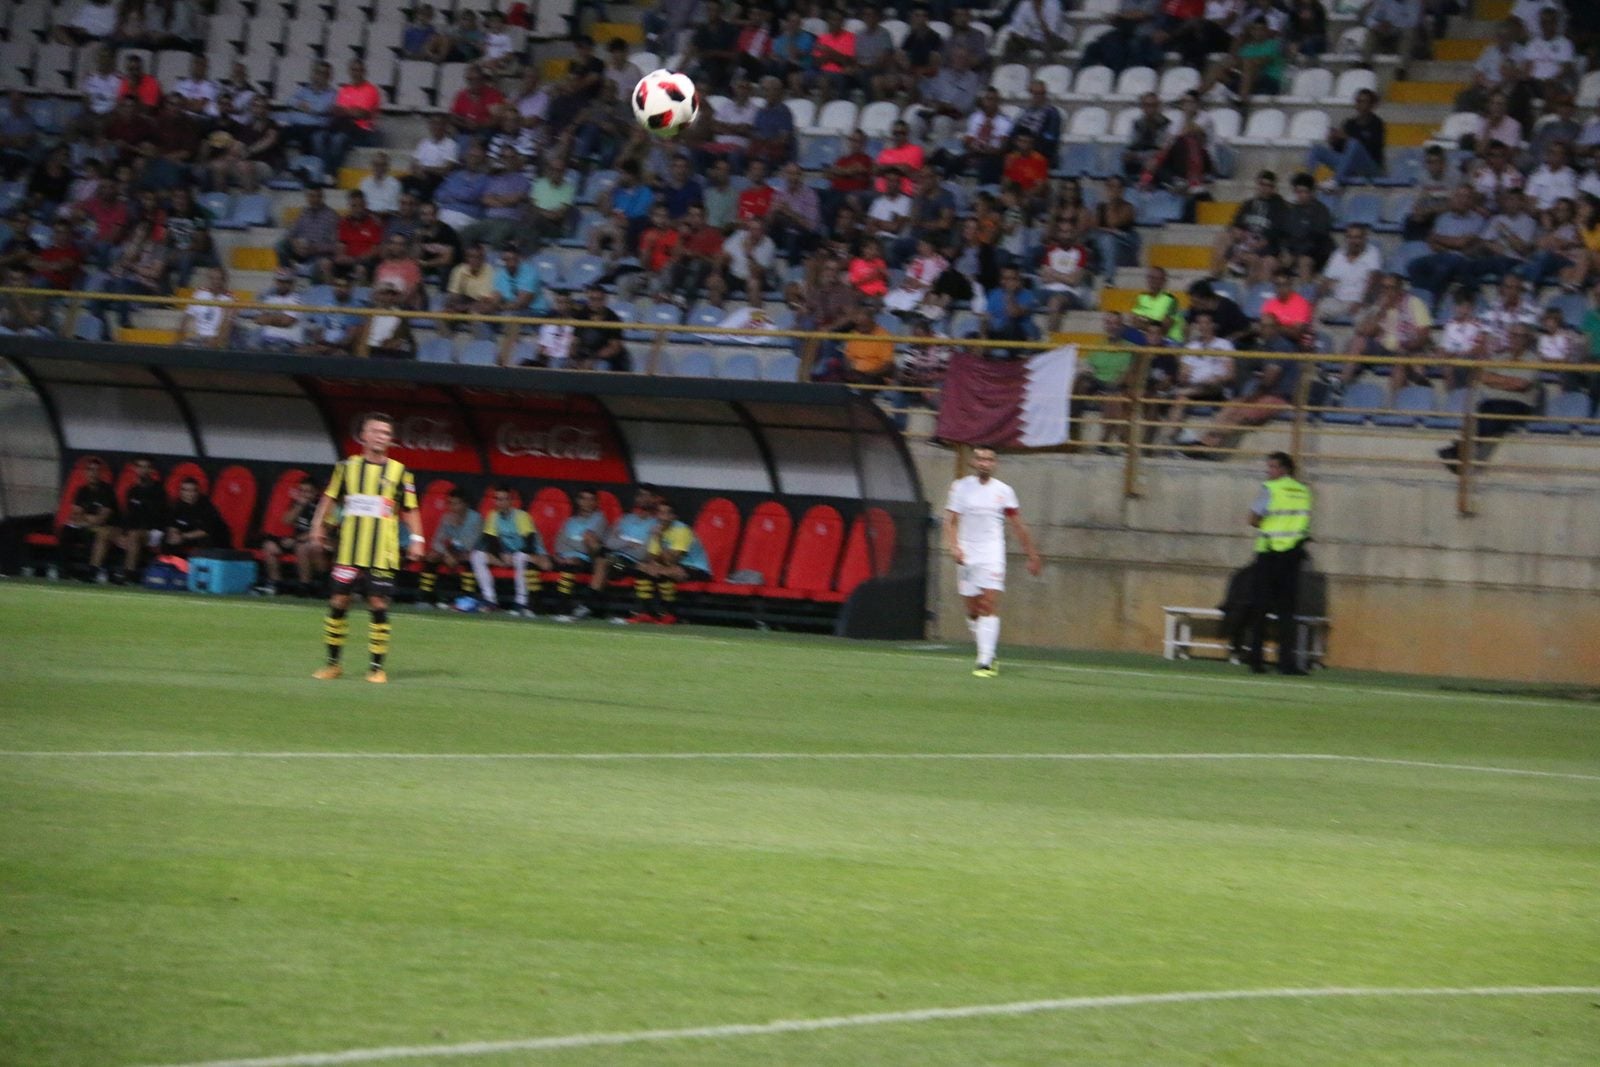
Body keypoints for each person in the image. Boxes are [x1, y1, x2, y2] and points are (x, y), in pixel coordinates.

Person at [309, 413, 424, 684]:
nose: (382, 436)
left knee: (378, 603)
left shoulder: (399, 471)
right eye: (377, 431)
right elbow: (329, 498)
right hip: (349, 548)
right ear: (364, 435)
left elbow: (410, 508)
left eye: (386, 432)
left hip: (382, 550)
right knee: (338, 601)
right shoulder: (347, 467)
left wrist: (418, 539)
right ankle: (333, 664)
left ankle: (376, 668)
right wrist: (318, 527)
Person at [943, 447, 1042, 677]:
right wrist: (954, 546)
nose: (984, 463)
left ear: (994, 464)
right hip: (968, 555)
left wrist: (1032, 555)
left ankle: (985, 661)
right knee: (973, 610)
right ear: (973, 462)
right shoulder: (961, 487)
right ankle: (986, 650)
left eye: (988, 459)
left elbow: (1018, 525)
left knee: (988, 604)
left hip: (992, 554)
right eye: (980, 458)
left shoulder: (1004, 491)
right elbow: (950, 521)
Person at [1244, 451, 1312, 675]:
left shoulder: (1270, 489)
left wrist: (1268, 525)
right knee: (1287, 612)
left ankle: (1256, 659)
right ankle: (1286, 663)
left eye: (1272, 467)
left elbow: (1253, 519)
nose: (1268, 471)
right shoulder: (1304, 492)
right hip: (1293, 556)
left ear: (1284, 469)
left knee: (1260, 609)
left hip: (1269, 553)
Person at [628, 498, 711, 624]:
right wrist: (652, 565)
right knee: (642, 568)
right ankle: (647, 613)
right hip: (672, 566)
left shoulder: (681, 531)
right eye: (661, 513)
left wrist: (660, 539)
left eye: (667, 513)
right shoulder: (657, 529)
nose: (663, 517)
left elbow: (671, 561)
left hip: (696, 569)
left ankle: (670, 614)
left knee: (665, 571)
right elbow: (652, 557)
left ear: (674, 517)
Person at [471, 486, 550, 616]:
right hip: (507, 555)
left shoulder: (521, 516)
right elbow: (490, 540)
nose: (499, 503)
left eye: (503, 499)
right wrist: (501, 555)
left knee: (520, 556)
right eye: (497, 499)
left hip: (530, 555)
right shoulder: (493, 515)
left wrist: (510, 555)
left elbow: (529, 544)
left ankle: (521, 602)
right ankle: (490, 600)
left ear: (510, 501)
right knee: (477, 556)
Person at [548, 489, 611, 622]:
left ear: (595, 502)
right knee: (562, 563)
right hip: (567, 556)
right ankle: (559, 609)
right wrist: (562, 554)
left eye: (591, 499)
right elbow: (560, 541)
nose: (587, 502)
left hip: (588, 558)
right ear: (578, 501)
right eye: (584, 499)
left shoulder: (599, 519)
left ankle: (565, 609)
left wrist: (574, 550)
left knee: (570, 565)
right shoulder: (571, 520)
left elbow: (591, 544)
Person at [257, 479, 327, 595]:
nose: (304, 494)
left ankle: (305, 585)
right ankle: (276, 584)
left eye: (308, 491)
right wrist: (299, 505)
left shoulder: (320, 506)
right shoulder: (297, 504)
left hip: (310, 540)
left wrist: (295, 540)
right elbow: (286, 521)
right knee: (269, 546)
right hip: (295, 539)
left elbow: (320, 529)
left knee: (301, 547)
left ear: (315, 493)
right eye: (302, 491)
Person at [54, 457, 118, 582]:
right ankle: (64, 570)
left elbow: (102, 519)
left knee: (94, 534)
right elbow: (75, 514)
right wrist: (89, 518)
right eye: (90, 470)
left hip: (103, 527)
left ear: (100, 473)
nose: (93, 473)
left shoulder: (107, 490)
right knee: (66, 531)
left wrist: (85, 517)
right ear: (85, 472)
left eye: (96, 470)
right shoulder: (82, 491)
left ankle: (91, 572)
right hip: (86, 526)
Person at [418, 489, 482, 608]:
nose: (452, 507)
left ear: (465, 504)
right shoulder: (446, 517)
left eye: (456, 503)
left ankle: (468, 597)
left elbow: (468, 544)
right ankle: (425, 597)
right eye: (450, 503)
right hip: (450, 551)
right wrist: (447, 554)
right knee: (432, 556)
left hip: (470, 552)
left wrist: (451, 553)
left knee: (468, 557)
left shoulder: (475, 518)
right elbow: (436, 541)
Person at [163, 477, 227, 557]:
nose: (188, 494)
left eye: (192, 490)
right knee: (167, 539)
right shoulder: (176, 505)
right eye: (185, 490)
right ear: (180, 492)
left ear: (197, 492)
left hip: (209, 540)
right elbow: (172, 524)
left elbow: (206, 531)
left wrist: (182, 536)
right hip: (187, 536)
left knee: (205, 541)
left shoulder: (206, 506)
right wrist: (173, 534)